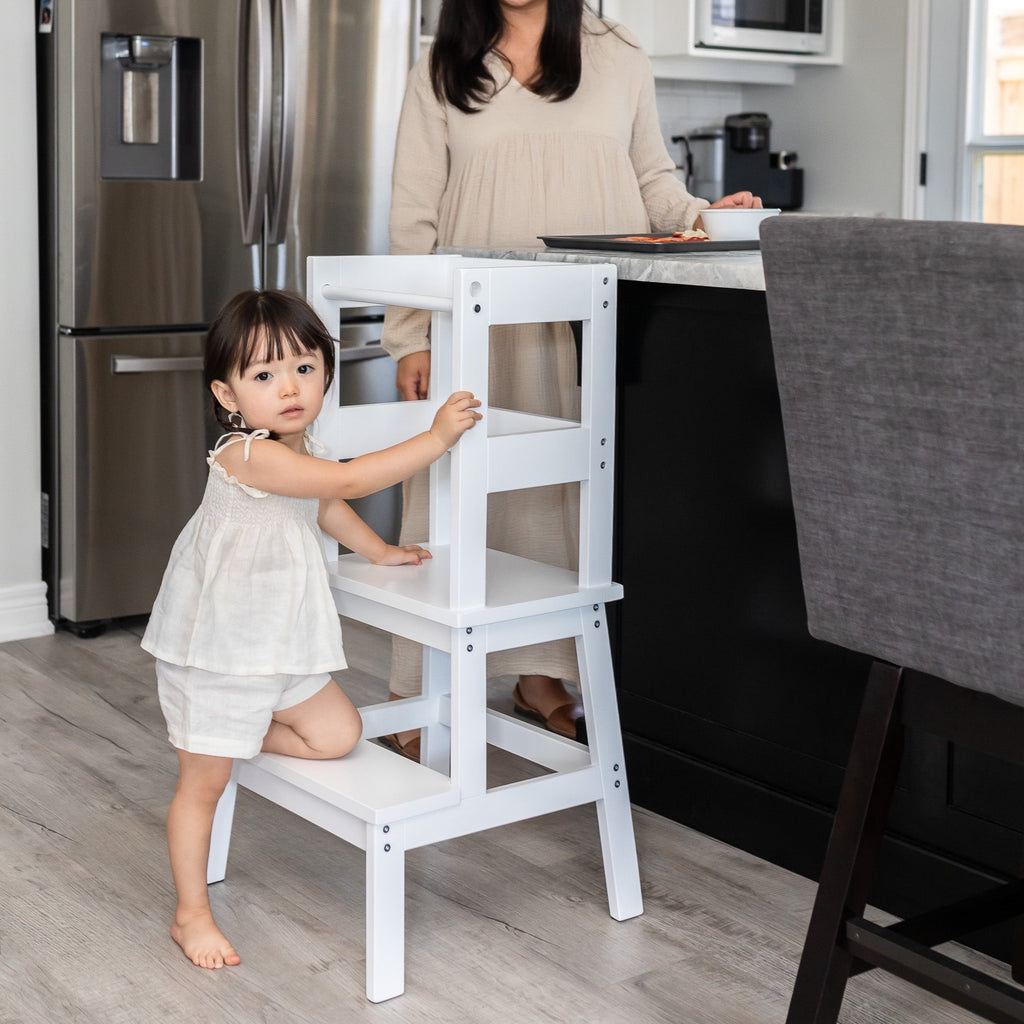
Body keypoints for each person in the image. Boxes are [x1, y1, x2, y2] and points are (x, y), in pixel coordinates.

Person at [379, 0, 762, 759]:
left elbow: (654, 179)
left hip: (589, 313)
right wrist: (409, 333)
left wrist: (705, 214)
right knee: (461, 497)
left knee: (563, 502)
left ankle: (541, 677)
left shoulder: (618, 53)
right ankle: (418, 686)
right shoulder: (442, 64)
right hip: (482, 318)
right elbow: (413, 208)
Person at [140, 290, 481, 969]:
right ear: (228, 395)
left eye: (303, 368)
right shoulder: (244, 455)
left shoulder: (304, 448)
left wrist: (379, 552)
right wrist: (436, 439)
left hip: (280, 642)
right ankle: (190, 913)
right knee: (200, 786)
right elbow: (347, 482)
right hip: (219, 649)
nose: (288, 387)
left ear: (327, 371)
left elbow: (325, 505)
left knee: (337, 735)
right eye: (263, 376)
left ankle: (231, 736)